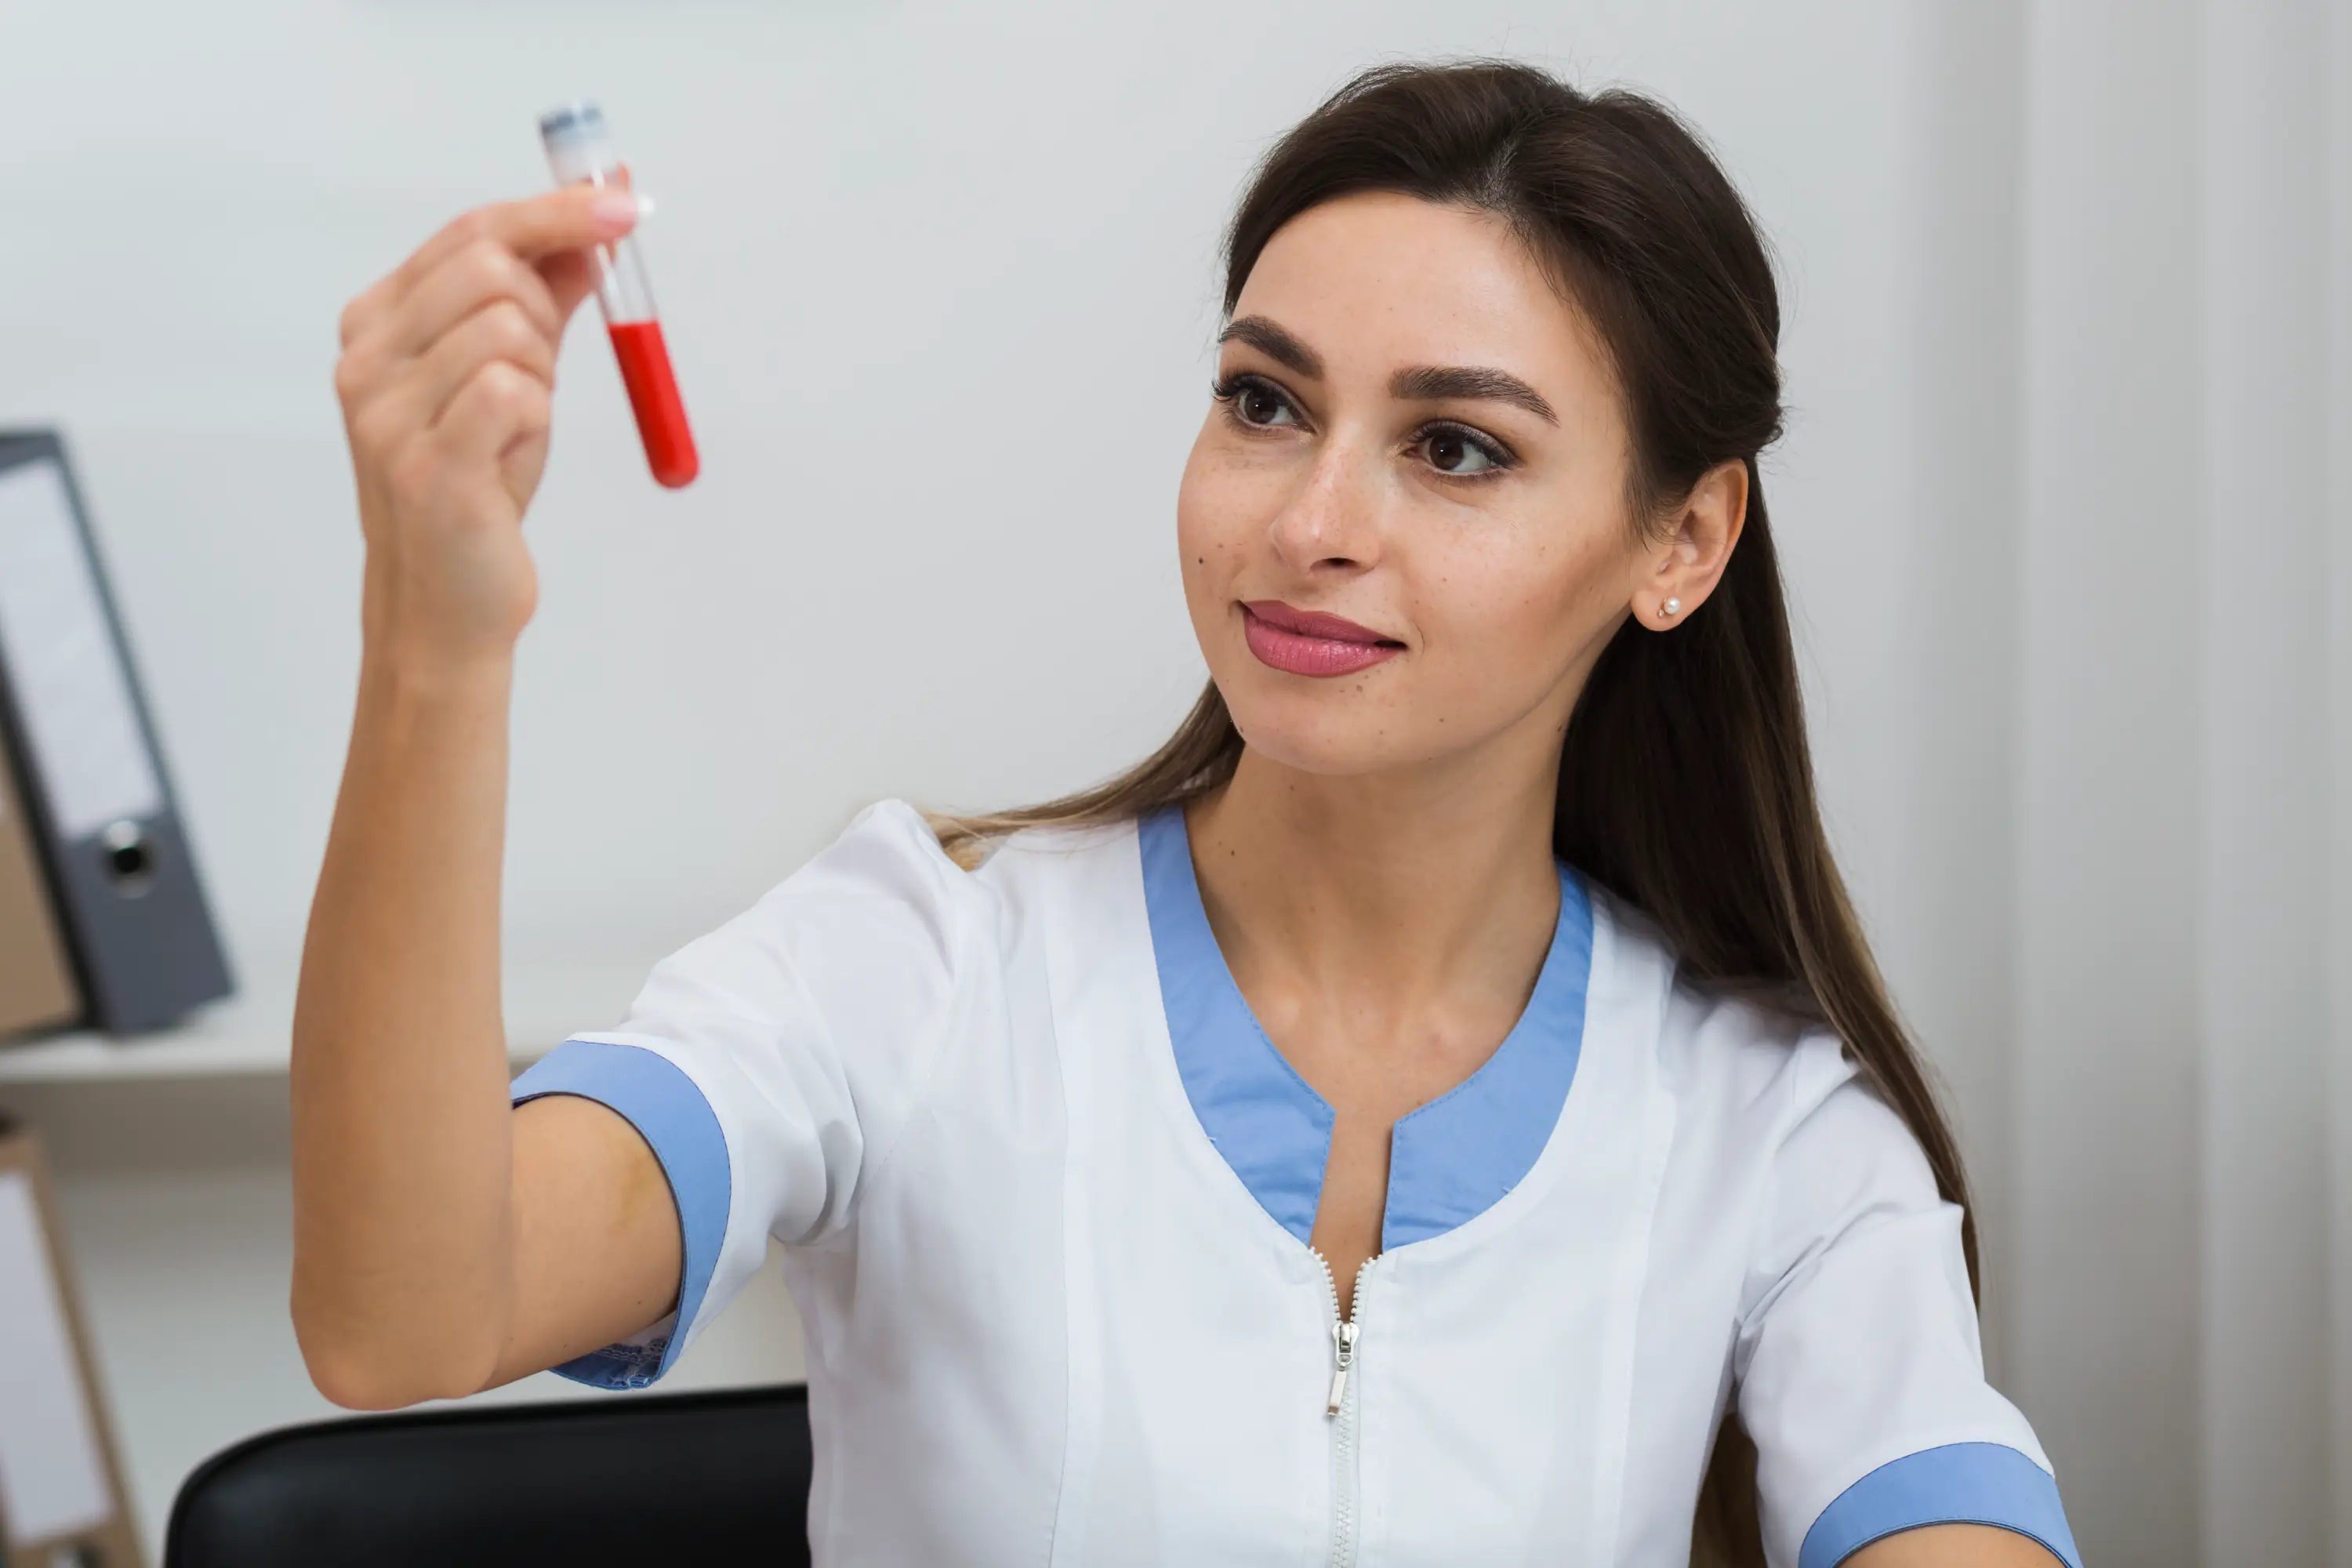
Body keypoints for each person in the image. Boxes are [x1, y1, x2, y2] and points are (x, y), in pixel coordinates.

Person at [289, 58, 2081, 1568]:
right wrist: (433, 645)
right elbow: (407, 1310)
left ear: (1681, 542)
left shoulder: (1771, 1130)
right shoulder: (920, 964)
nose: (1311, 519)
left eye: (1455, 446)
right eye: (1264, 402)